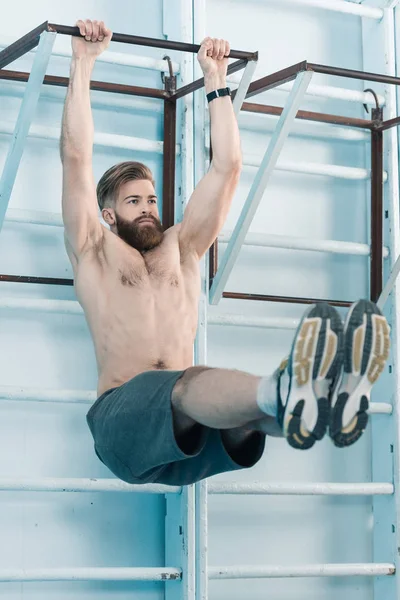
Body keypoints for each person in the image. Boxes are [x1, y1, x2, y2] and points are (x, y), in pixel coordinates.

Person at [60, 19, 390, 486]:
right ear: (109, 215)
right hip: (122, 423)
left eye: (152, 200)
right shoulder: (93, 251)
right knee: (192, 382)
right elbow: (76, 158)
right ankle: (286, 389)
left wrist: (216, 80)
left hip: (188, 434)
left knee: (242, 418)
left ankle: (319, 400)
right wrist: (82, 61)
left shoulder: (183, 246)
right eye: (134, 202)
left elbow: (228, 166)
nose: (149, 209)